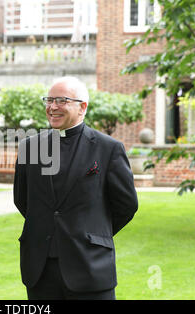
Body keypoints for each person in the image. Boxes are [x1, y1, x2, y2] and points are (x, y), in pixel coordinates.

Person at [13, 76, 138, 300]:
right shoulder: (30, 147)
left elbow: (126, 205)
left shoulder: (108, 149)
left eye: (61, 100)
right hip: (40, 269)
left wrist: (92, 232)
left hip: (90, 265)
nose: (52, 107)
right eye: (49, 100)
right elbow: (22, 200)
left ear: (82, 107)